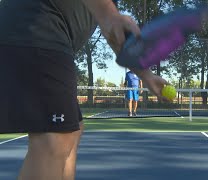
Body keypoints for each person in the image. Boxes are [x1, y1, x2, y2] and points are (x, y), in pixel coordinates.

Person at [0, 0, 168, 179]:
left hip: (43, 32)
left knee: (72, 130)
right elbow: (109, 21)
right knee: (54, 138)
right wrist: (110, 15)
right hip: (37, 26)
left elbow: (113, 33)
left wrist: (146, 76)